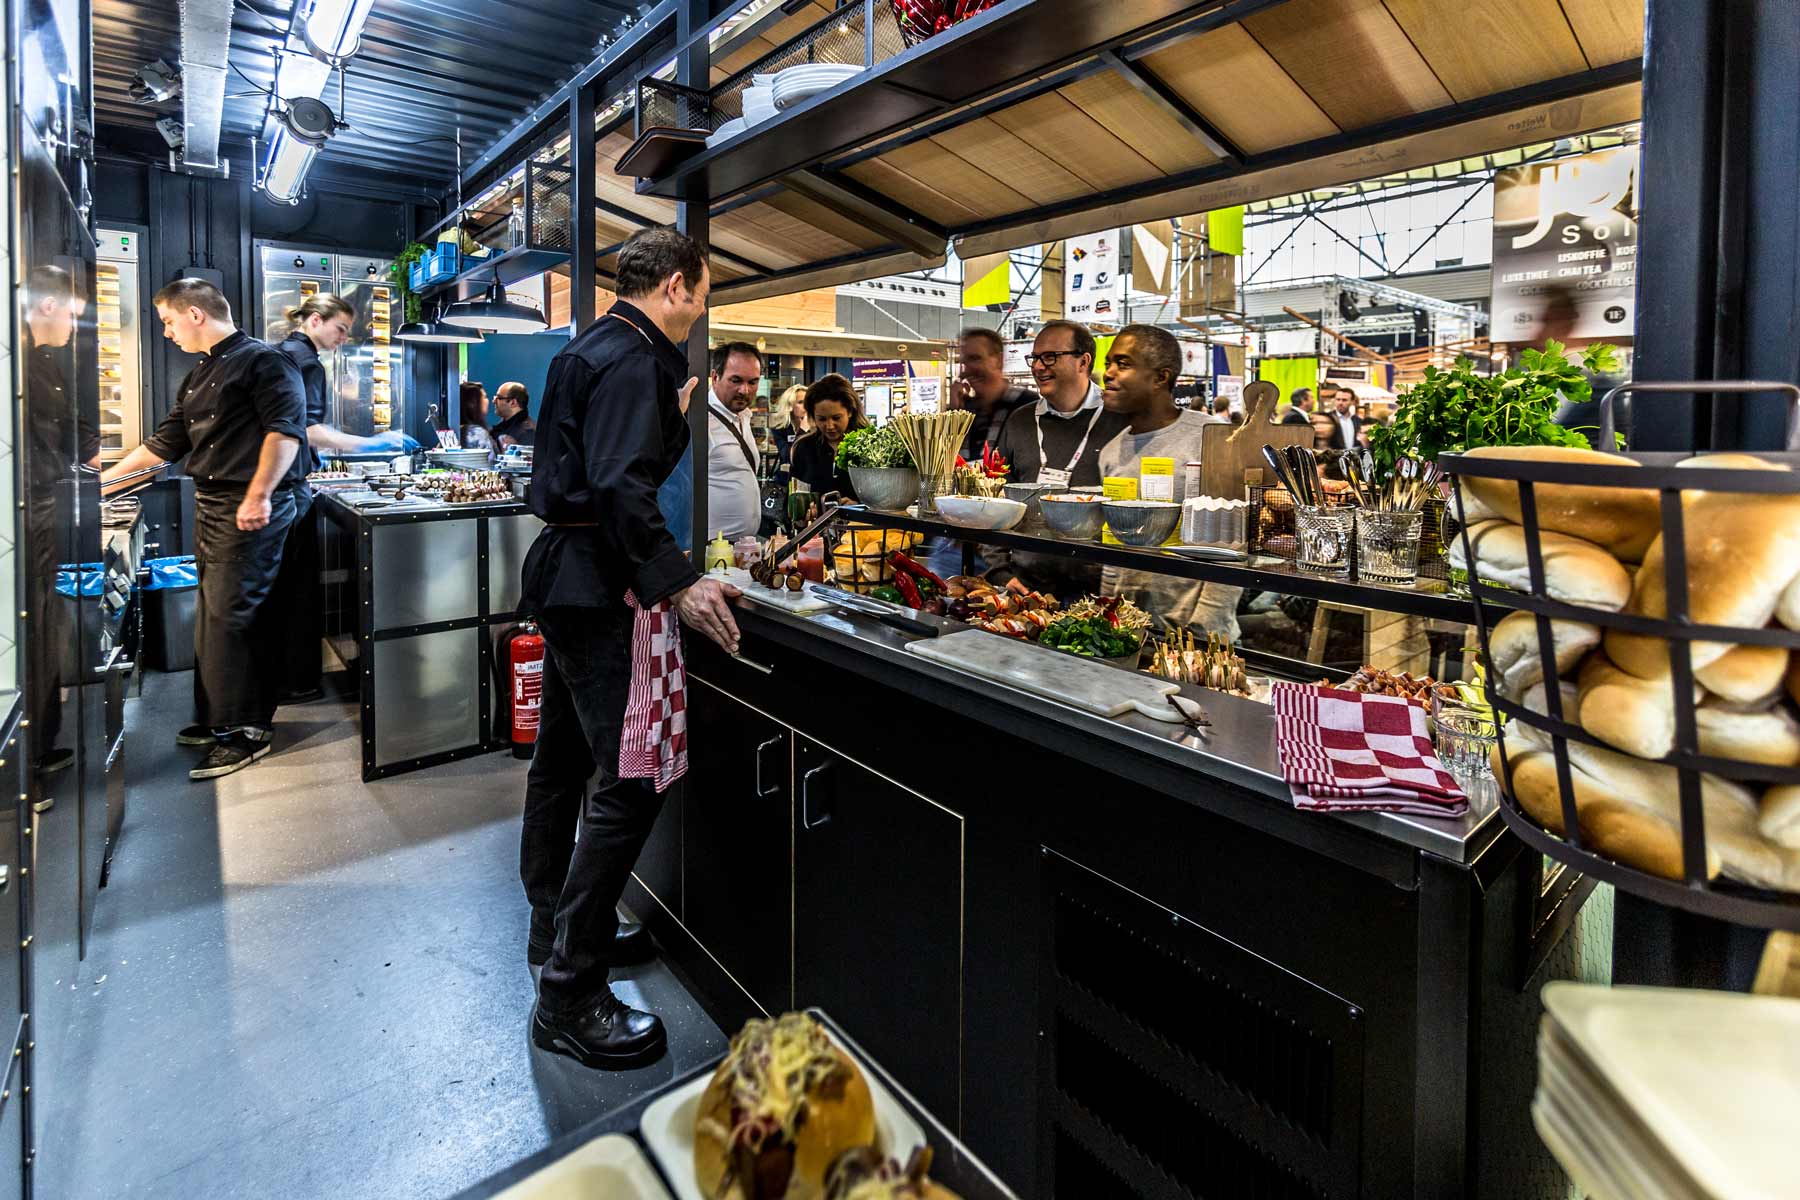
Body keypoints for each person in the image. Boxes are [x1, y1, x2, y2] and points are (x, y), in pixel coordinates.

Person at [519, 225, 741, 1070]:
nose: (704, 302)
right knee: (633, 781)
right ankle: (569, 992)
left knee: (562, 763)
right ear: (680, 284)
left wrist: (673, 422)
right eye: (706, 287)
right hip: (599, 583)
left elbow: (609, 468)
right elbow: (619, 485)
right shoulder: (639, 359)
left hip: (571, 576)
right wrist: (679, 579)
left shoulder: (595, 350)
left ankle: (555, 928)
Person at [102, 279, 308, 779]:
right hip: (215, 504)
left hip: (250, 505)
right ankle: (220, 718)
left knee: (234, 617)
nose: (167, 333)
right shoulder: (201, 372)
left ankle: (247, 730)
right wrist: (101, 492)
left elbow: (286, 432)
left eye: (169, 322)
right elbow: (163, 445)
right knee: (213, 616)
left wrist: (259, 495)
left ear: (195, 314)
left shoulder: (265, 361)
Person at [1095, 324, 1241, 640]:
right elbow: (1113, 541)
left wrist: (1206, 624)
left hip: (1196, 637)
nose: (1108, 373)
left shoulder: (1211, 438)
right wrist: (1105, 608)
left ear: (1161, 377)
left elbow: (1234, 538)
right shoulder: (1110, 453)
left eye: (1123, 364)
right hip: (1129, 630)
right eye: (1108, 363)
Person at [279, 295, 418, 466]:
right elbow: (306, 430)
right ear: (315, 320)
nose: (344, 338)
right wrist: (367, 444)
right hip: (287, 476)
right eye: (340, 328)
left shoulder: (286, 350)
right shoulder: (307, 362)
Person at [705, 342, 765, 541]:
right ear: (715, 377)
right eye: (736, 380)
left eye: (753, 382)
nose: (744, 390)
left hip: (744, 547)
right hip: (710, 548)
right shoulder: (699, 421)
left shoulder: (742, 416)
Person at [949, 327, 1035, 461]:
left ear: (999, 360)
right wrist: (953, 414)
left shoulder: (1026, 404)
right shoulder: (965, 409)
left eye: (976, 358)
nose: (967, 370)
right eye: (965, 362)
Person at [786, 373, 866, 496]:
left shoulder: (869, 447)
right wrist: (803, 507)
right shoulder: (804, 447)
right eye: (822, 419)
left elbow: (885, 499)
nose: (829, 426)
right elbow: (792, 497)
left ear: (850, 411)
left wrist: (859, 506)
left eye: (836, 418)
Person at [771, 384, 808, 468]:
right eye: (801, 402)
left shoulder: (818, 428)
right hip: (787, 477)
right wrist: (802, 431)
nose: (806, 406)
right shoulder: (780, 429)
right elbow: (788, 457)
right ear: (789, 406)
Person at [492, 381, 537, 449]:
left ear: (513, 402)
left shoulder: (528, 433)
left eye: (498, 398)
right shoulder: (502, 428)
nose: (494, 401)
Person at [459, 381, 494, 451]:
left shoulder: (457, 430)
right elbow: (489, 460)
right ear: (472, 403)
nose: (488, 401)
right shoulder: (477, 433)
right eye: (485, 397)